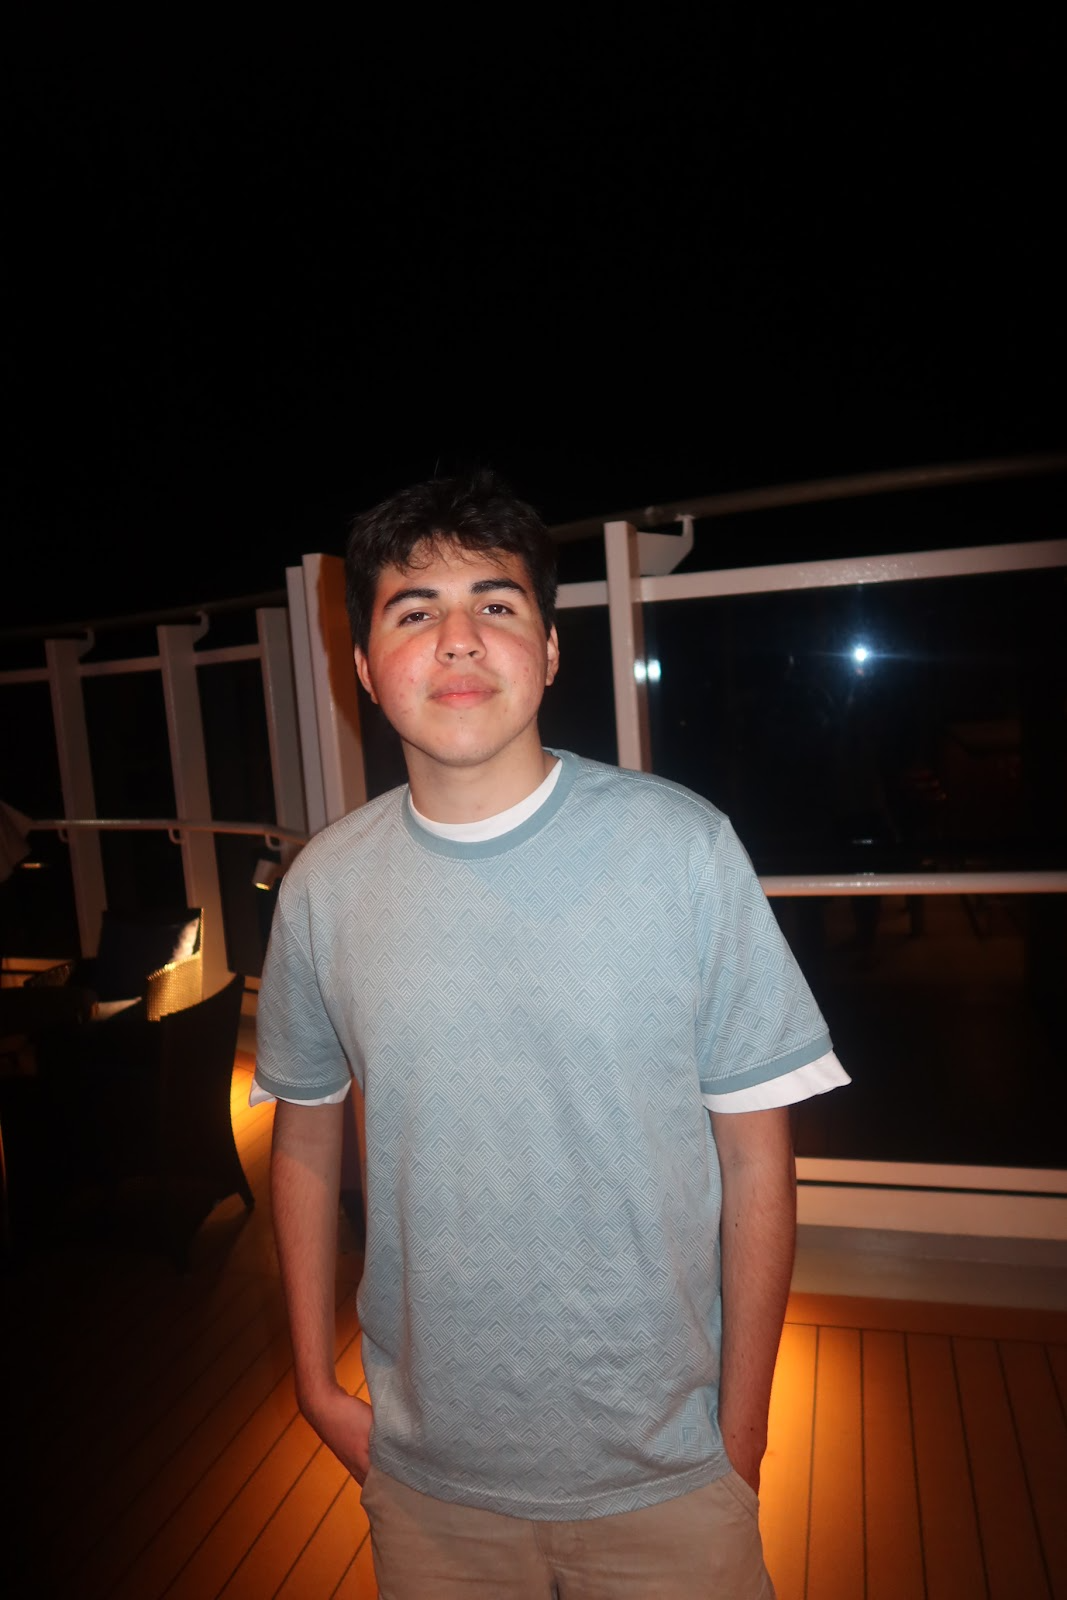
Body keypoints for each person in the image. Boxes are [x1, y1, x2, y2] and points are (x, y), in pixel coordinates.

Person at [254, 470, 849, 1598]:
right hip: (427, 1481)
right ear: (364, 666)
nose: (458, 638)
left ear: (550, 649)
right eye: (413, 610)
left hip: (671, 1475)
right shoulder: (323, 889)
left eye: (496, 603)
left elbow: (753, 1156)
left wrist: (740, 1436)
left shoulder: (682, 851)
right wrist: (312, 1383)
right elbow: (305, 1134)